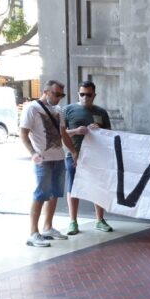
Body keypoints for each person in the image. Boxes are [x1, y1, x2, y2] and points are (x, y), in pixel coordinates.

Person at [19, 80, 77, 247]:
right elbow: (23, 133)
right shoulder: (32, 108)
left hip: (58, 157)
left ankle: (48, 227)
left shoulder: (59, 110)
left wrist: (73, 152)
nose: (59, 98)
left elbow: (63, 134)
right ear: (46, 91)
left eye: (62, 95)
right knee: (40, 194)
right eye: (56, 94)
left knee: (54, 194)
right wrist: (33, 153)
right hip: (43, 159)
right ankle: (33, 233)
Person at [62, 80, 113, 235]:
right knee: (73, 187)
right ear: (78, 94)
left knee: (98, 186)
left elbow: (110, 134)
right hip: (74, 154)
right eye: (82, 94)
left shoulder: (101, 112)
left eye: (88, 95)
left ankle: (100, 220)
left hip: (97, 156)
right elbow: (61, 133)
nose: (85, 97)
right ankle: (73, 221)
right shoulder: (68, 110)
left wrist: (99, 130)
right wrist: (76, 131)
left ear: (94, 95)